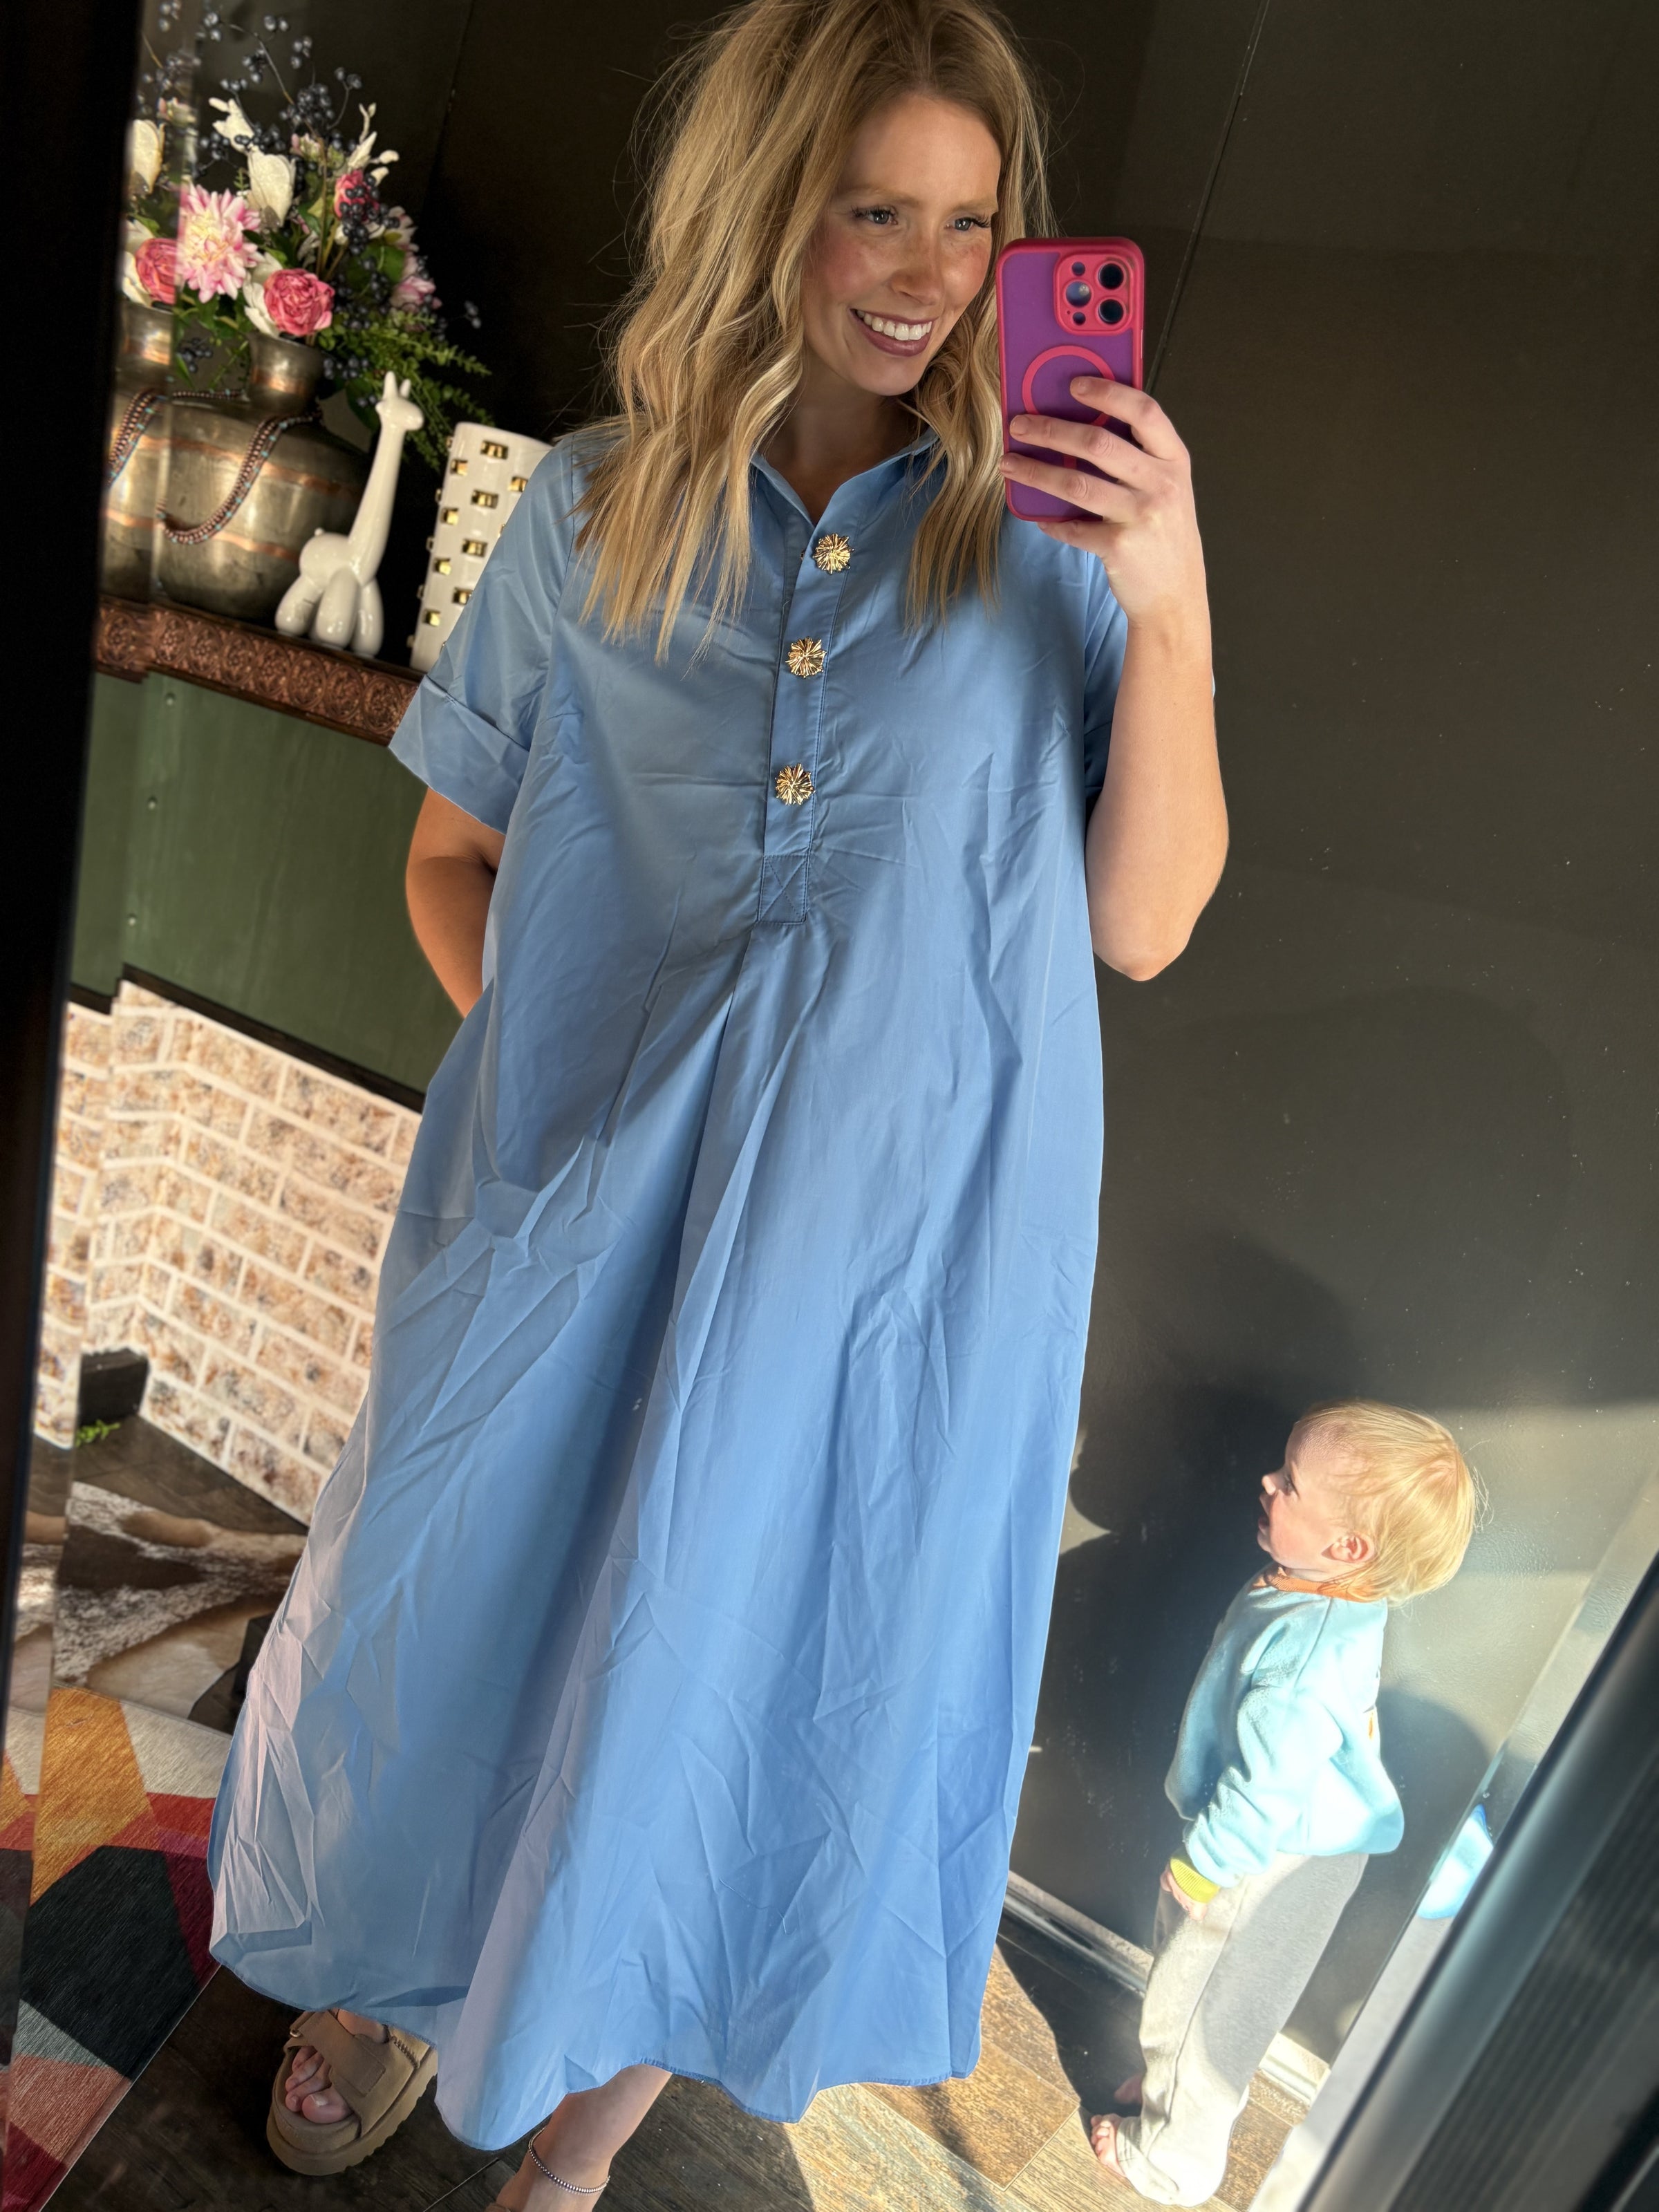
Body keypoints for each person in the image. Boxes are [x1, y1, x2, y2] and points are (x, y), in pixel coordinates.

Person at [207, 0, 1228, 2199]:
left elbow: (1140, 921)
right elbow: (453, 860)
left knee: (752, 1705)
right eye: (873, 208)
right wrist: (558, 1127)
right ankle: (378, 1979)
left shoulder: (1054, 538)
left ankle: (576, 2147)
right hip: (570, 1240)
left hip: (883, 1290)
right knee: (447, 1622)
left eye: (969, 221)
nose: (927, 272)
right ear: (766, 205)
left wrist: (1172, 609)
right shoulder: (593, 512)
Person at [1091, 1402, 1479, 2206]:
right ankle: (1172, 2097)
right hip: (1296, 1841)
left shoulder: (1304, 1663)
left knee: (1196, 2007)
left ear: (1348, 1547)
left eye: (1290, 1482)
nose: (1268, 1480)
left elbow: (1262, 1789)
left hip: (1266, 1854)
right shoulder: (1326, 1587)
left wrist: (1202, 1866)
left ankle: (1172, 2161)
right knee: (1210, 2001)